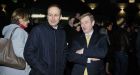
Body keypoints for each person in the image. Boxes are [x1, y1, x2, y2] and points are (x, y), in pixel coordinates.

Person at [24, 4, 67, 75]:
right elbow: (28, 53)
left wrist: (62, 67)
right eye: (50, 15)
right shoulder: (38, 30)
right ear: (47, 16)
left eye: (56, 15)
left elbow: (64, 51)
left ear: (60, 16)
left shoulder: (62, 32)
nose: (53, 18)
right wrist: (43, 69)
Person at [0, 8, 30, 75]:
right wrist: (32, 57)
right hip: (16, 69)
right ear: (20, 19)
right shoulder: (19, 31)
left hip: (6, 68)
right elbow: (19, 51)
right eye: (27, 19)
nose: (29, 21)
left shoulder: (9, 30)